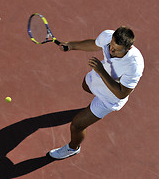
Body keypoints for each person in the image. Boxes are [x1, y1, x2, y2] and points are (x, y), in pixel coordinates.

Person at [49, 26, 144, 159]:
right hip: (99, 77)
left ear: (128, 49)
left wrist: (101, 71)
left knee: (77, 125)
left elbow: (122, 93)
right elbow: (94, 44)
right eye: (111, 46)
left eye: (116, 50)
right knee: (85, 86)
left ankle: (72, 148)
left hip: (110, 97)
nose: (111, 50)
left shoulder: (135, 65)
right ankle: (89, 110)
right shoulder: (108, 36)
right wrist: (71, 45)